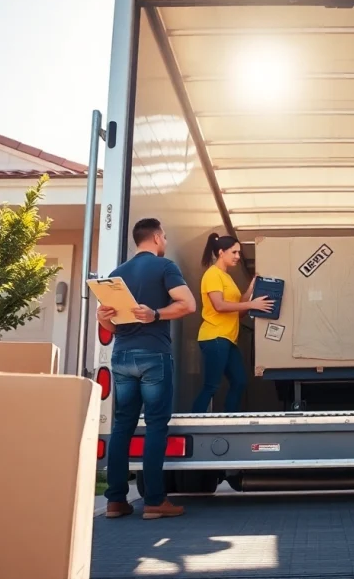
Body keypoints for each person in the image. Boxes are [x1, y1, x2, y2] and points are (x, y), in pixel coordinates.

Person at [98, 218, 197, 521]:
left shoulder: (116, 275)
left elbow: (109, 325)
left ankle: (116, 501)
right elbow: (188, 304)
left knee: (122, 427)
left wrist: (102, 317)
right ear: (156, 238)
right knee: (155, 426)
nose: (165, 242)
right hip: (153, 355)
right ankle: (154, 501)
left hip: (122, 357)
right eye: (164, 237)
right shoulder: (165, 267)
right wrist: (156, 314)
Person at [191, 233, 273, 413]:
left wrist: (252, 286)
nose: (237, 256)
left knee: (240, 381)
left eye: (238, 253)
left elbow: (239, 312)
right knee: (211, 386)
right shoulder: (212, 275)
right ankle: (194, 420)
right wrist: (252, 303)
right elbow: (219, 305)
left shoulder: (227, 277)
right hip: (214, 337)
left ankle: (229, 418)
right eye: (234, 252)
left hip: (227, 339)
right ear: (221, 252)